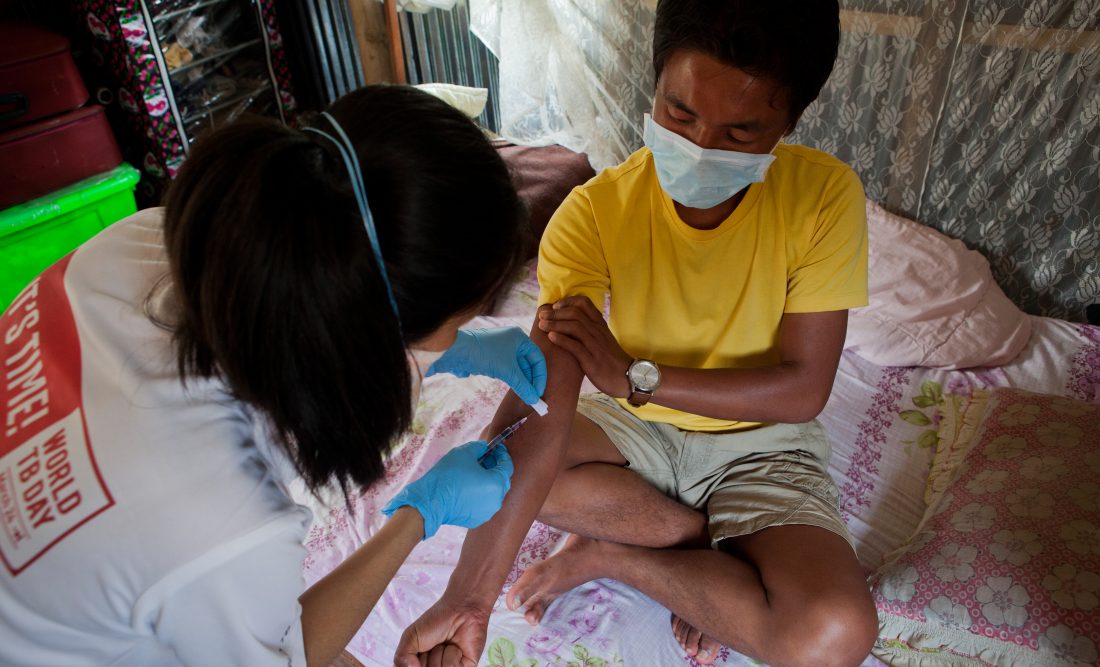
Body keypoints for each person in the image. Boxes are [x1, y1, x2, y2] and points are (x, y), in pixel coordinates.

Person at [395, 1, 880, 666]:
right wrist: (469, 596)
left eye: (740, 132)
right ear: (654, 88)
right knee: (505, 467)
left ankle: (620, 555)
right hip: (639, 432)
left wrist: (639, 377)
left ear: (788, 123)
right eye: (679, 115)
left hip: (761, 441)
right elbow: (541, 397)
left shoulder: (823, 197)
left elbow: (801, 391)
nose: (701, 147)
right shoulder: (595, 213)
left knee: (833, 634)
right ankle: (702, 549)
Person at [0, 84, 547, 666]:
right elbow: (290, 655)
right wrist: (419, 516)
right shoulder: (222, 526)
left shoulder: (153, 244)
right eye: (457, 322)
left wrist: (452, 349)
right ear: (367, 342)